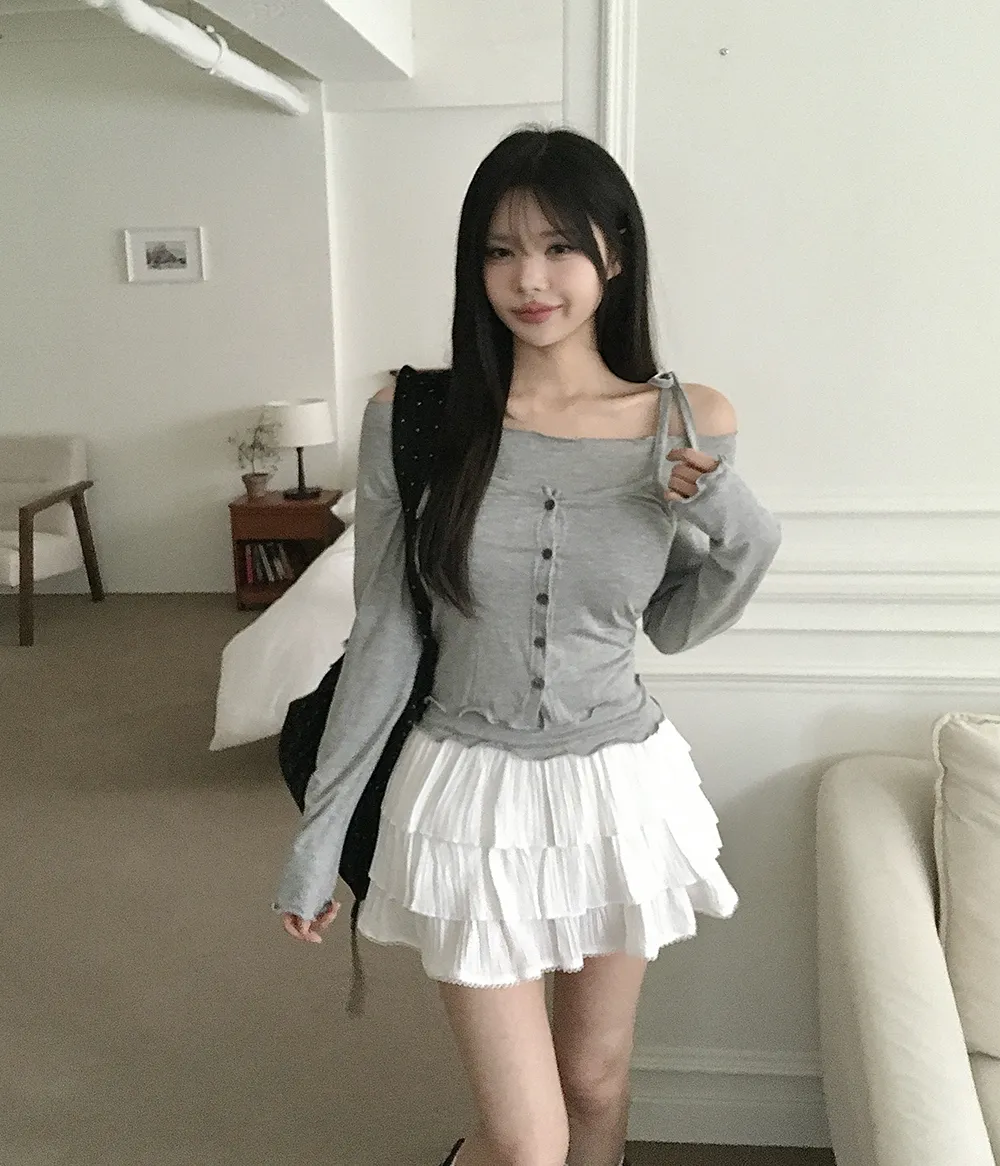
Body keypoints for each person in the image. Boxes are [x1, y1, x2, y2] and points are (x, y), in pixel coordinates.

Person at [272, 125, 782, 1166]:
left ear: (615, 254)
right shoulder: (415, 414)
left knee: (594, 1083)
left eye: (558, 247)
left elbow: (674, 623)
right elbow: (385, 630)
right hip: (467, 788)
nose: (529, 279)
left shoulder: (687, 419)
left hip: (616, 788)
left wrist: (739, 525)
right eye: (500, 251)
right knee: (526, 1137)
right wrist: (320, 835)